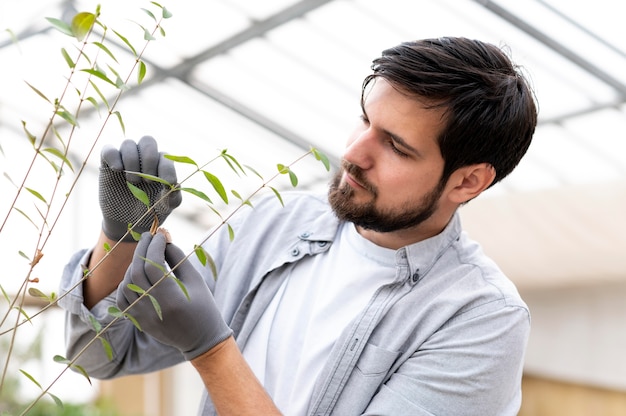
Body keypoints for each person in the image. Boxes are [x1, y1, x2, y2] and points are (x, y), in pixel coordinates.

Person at [59, 36, 537, 415]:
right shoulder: (272, 225)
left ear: (468, 181)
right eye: (365, 120)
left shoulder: (480, 319)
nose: (353, 152)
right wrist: (121, 239)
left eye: (395, 145)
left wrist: (211, 351)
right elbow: (98, 357)